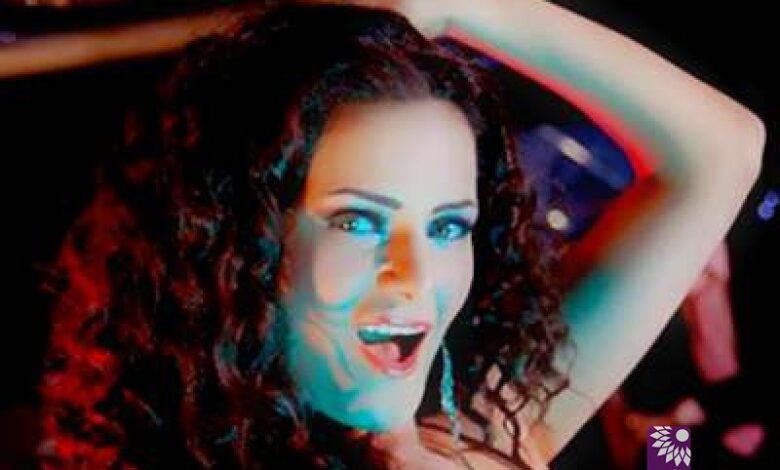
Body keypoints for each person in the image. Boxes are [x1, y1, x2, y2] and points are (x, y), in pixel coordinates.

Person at [37, 1, 764, 469]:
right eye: (358, 221)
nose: (416, 278)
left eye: (448, 226)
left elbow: (721, 153)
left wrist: (467, 7)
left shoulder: (483, 438)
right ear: (242, 247)